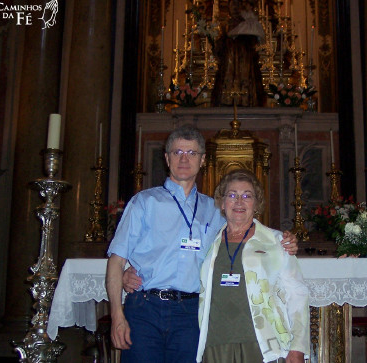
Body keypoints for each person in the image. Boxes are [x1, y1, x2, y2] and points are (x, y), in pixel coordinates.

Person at [106, 124, 298, 363]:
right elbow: (116, 260)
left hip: (189, 314)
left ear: (203, 159)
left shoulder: (215, 209)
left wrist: (283, 239)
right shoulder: (144, 203)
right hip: (146, 308)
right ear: (167, 158)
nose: (184, 159)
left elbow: (247, 229)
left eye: (191, 153)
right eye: (177, 152)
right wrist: (117, 314)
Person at [196, 169, 309, 363]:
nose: (239, 202)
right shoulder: (209, 240)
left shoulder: (277, 242)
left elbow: (298, 295)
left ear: (256, 204)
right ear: (222, 203)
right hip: (216, 343)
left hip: (262, 344)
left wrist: (298, 346)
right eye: (232, 195)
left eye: (247, 196)